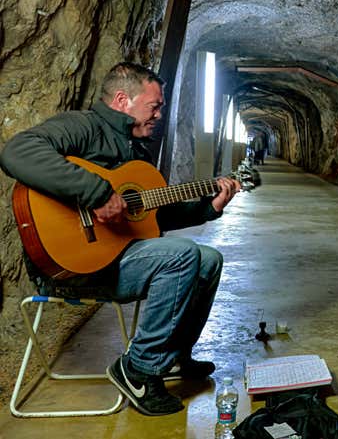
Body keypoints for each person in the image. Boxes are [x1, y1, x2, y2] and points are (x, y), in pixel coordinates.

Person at [0, 62, 242, 416]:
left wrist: (210, 207)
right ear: (121, 100)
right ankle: (139, 370)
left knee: (209, 260)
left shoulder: (137, 149)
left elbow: (149, 218)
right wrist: (96, 193)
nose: (159, 114)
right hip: (72, 264)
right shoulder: (82, 127)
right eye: (154, 105)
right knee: (182, 255)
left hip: (118, 256)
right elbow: (16, 152)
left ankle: (172, 356)